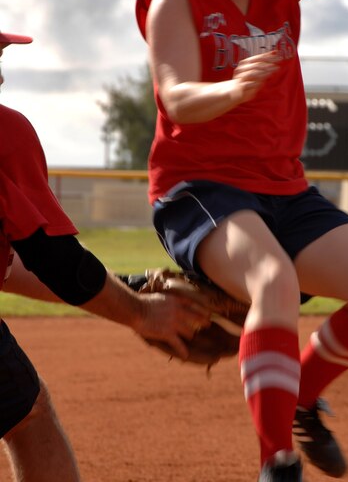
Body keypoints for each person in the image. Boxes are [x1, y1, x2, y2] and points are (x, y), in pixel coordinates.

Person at [134, 0, 348, 480]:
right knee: (272, 280)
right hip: (199, 187)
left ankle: (300, 396)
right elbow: (176, 95)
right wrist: (231, 90)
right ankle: (277, 462)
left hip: (284, 189)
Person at [0, 30, 210, 482]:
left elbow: (11, 269)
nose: (0, 71)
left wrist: (127, 287)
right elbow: (54, 260)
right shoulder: (6, 131)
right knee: (28, 417)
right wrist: (140, 314)